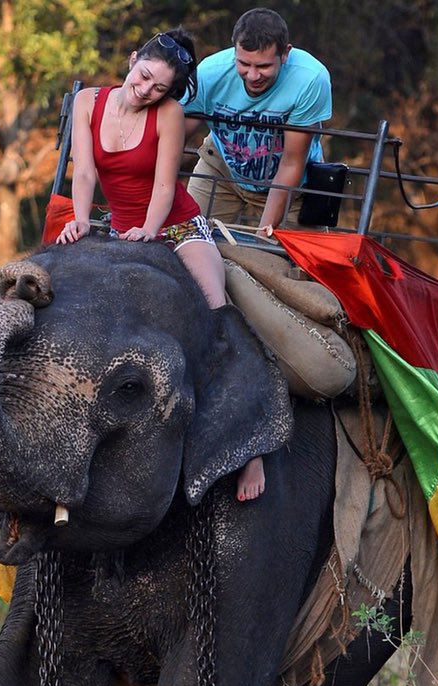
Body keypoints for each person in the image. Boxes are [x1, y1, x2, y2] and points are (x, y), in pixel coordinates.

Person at [56, 28, 264, 501]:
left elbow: (168, 185)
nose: (146, 90)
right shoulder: (89, 101)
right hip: (118, 226)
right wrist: (82, 222)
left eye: (159, 87)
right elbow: (85, 171)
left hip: (174, 226)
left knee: (218, 312)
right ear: (133, 60)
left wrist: (152, 231)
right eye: (144, 76)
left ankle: (251, 447)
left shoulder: (168, 114)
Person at [182, 8, 332, 240]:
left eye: (263, 67)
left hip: (292, 184)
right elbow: (174, 136)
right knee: (187, 237)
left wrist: (264, 234)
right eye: (243, 64)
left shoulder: (310, 79)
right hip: (222, 170)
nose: (253, 75)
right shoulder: (210, 74)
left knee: (304, 263)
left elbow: (292, 162)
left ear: (285, 54)